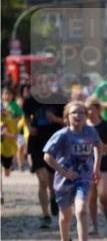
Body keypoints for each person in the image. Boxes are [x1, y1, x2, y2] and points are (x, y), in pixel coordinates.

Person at [43, 101, 101, 241]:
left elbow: (98, 145)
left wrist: (96, 167)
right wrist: (64, 172)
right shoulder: (62, 135)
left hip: (83, 177)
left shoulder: (91, 132)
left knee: (82, 209)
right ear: (67, 117)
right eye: (74, 113)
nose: (78, 116)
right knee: (64, 217)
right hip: (64, 181)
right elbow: (47, 156)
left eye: (82, 113)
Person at [22, 73, 64, 228]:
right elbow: (26, 116)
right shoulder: (31, 101)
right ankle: (46, 215)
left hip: (54, 144)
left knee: (53, 181)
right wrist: (29, 127)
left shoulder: (58, 99)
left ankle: (53, 196)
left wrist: (56, 119)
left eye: (45, 81)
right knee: (42, 179)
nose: (42, 85)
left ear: (50, 83)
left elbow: (67, 121)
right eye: (39, 82)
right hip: (37, 143)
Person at [85, 97, 107, 233]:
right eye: (87, 110)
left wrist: (104, 148)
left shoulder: (105, 125)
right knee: (91, 196)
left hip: (103, 165)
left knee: (103, 193)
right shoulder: (83, 126)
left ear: (98, 110)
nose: (89, 112)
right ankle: (93, 223)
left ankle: (104, 207)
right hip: (87, 166)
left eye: (91, 109)